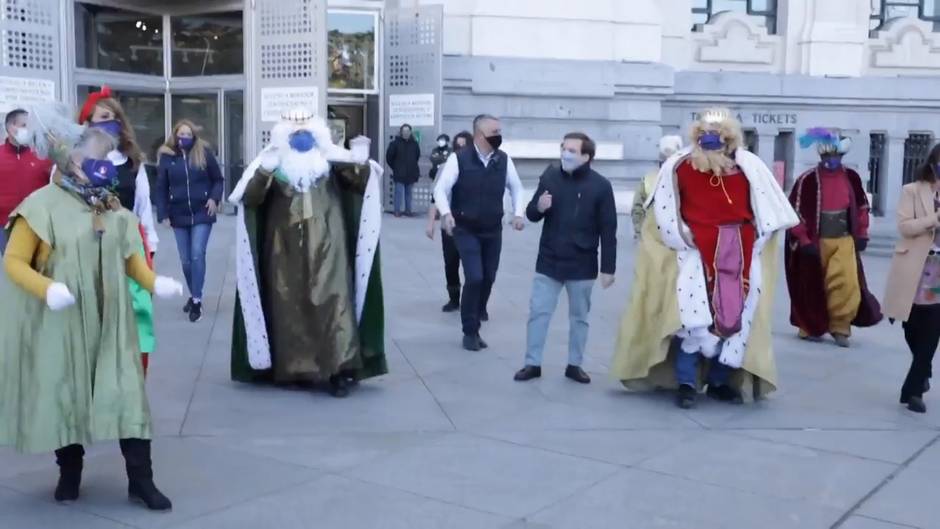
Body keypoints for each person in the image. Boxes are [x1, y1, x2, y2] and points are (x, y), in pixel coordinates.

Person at [0, 115, 183, 510]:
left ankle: (141, 480)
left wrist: (155, 283)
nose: (101, 163)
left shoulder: (113, 207)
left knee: (128, 394)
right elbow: (13, 261)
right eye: (92, 155)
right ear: (68, 159)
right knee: (67, 393)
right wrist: (46, 289)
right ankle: (69, 472)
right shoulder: (40, 206)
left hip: (113, 322)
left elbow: (131, 259)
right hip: (62, 324)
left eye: (105, 154)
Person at [610, 108, 798, 409]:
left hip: (741, 253)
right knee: (693, 321)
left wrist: (755, 241)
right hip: (696, 255)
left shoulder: (748, 166)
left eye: (718, 136)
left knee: (736, 320)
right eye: (705, 135)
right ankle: (686, 383)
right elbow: (665, 214)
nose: (711, 142)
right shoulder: (680, 166)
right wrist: (686, 236)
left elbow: (766, 211)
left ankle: (721, 381)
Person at [229, 108, 387, 398]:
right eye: (295, 134)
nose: (302, 138)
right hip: (283, 248)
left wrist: (360, 160)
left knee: (334, 301)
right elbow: (250, 198)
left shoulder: (331, 161)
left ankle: (340, 370)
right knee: (288, 305)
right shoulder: (272, 163)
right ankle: (297, 369)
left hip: (330, 244)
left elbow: (362, 183)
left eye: (308, 133)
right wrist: (264, 170)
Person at [513, 132, 617, 384]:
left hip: (582, 264)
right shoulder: (550, 176)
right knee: (538, 312)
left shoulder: (601, 186)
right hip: (549, 260)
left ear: (586, 156)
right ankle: (532, 363)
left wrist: (608, 268)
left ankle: (574, 364)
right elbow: (531, 213)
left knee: (579, 318)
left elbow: (608, 229)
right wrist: (539, 206)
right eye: (563, 148)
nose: (565, 153)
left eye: (572, 150)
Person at [79, 86, 159, 374]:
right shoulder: (72, 164)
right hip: (85, 252)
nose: (107, 123)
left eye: (112, 117)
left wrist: (149, 250)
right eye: (100, 117)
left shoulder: (134, 163)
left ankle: (129, 385)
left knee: (132, 323)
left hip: (128, 250)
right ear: (86, 124)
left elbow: (143, 209)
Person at [434, 114, 526, 351]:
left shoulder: (504, 160)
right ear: (479, 135)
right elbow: (441, 190)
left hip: (492, 229)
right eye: (494, 132)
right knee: (474, 277)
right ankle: (470, 330)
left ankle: (476, 317)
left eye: (499, 131)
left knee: (488, 277)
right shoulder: (459, 159)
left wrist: (518, 213)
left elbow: (516, 186)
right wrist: (446, 214)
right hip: (465, 228)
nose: (498, 136)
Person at [786, 128, 882, 347]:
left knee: (846, 285)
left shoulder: (852, 177)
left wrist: (862, 233)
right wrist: (804, 240)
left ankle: (840, 327)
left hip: (844, 240)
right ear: (821, 156)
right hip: (815, 242)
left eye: (835, 156)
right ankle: (811, 325)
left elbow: (861, 207)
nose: (831, 160)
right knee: (813, 285)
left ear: (841, 156)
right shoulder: (807, 179)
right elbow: (795, 212)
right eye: (827, 156)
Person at [883, 143, 940, 414]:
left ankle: (913, 390)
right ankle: (923, 369)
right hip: (916, 268)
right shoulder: (912, 191)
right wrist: (934, 219)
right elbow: (905, 226)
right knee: (912, 327)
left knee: (932, 331)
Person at [155, 119, 225, 323]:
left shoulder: (203, 153)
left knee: (197, 254)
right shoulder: (168, 158)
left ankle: (196, 300)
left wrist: (214, 198)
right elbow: (160, 187)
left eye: (187, 134)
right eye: (180, 134)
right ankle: (194, 291)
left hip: (202, 211)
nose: (183, 138)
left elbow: (218, 179)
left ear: (193, 136)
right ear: (175, 135)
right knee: (185, 260)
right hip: (178, 214)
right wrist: (163, 214)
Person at [0, 109, 53, 255]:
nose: (29, 130)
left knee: (39, 269)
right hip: (5, 226)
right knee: (15, 269)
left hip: (38, 224)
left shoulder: (42, 155)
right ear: (11, 128)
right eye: (24, 125)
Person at [426, 132, 465, 312]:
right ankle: (454, 298)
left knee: (473, 267)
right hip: (448, 226)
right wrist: (430, 224)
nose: (461, 151)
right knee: (451, 263)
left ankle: (476, 302)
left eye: (465, 147)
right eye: (458, 147)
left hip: (471, 226)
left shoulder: (480, 168)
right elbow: (435, 197)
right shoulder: (444, 168)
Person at [631, 135, 683, 239]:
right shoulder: (648, 179)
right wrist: (641, 233)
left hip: (679, 241)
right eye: (664, 158)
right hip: (653, 240)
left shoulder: (687, 179)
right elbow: (637, 209)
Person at [386, 123, 421, 217]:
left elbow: (417, 156)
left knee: (409, 193)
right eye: (404, 131)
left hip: (411, 172)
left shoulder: (414, 144)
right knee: (398, 193)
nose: (406, 133)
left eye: (408, 131)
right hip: (399, 172)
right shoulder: (395, 143)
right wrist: (395, 167)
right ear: (401, 132)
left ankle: (408, 211)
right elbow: (389, 157)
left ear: (410, 132)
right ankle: (397, 211)